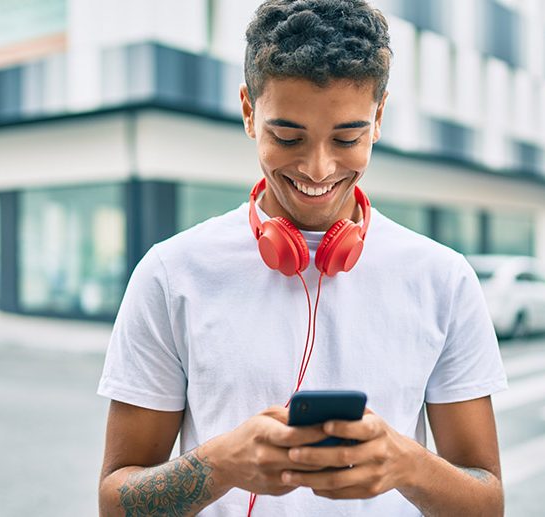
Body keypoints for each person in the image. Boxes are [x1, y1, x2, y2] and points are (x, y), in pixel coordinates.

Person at [97, 0, 507, 515]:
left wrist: (406, 463)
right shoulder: (170, 273)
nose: (318, 168)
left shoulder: (444, 278)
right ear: (249, 111)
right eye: (287, 136)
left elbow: (487, 505)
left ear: (379, 118)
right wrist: (221, 464)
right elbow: (115, 504)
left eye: (348, 137)